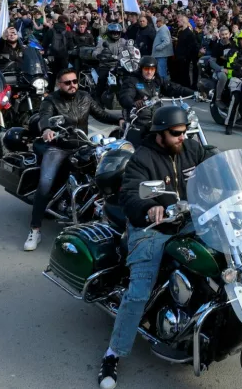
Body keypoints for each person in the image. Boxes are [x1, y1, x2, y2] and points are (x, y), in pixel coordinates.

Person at [98, 106, 213, 389]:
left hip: (190, 221)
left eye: (185, 132)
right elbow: (130, 195)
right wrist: (149, 209)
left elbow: (213, 163)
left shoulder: (191, 148)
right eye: (176, 133)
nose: (181, 138)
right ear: (160, 134)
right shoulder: (142, 159)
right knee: (138, 292)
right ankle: (113, 354)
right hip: (152, 229)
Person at [24, 68, 123, 251]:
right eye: (67, 83)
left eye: (75, 81)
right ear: (59, 84)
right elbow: (44, 117)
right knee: (45, 184)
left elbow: (101, 114)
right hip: (59, 147)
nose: (72, 85)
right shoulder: (51, 100)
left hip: (83, 145)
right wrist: (46, 129)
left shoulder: (85, 97)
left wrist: (121, 119)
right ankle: (35, 230)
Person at [117, 56, 196, 116]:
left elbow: (175, 88)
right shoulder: (132, 80)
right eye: (146, 69)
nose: (149, 72)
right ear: (141, 69)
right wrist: (133, 103)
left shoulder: (158, 80)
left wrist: (194, 93)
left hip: (157, 116)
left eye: (152, 69)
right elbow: (125, 96)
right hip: (137, 116)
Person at [94, 22, 127, 101]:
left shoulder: (123, 41)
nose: (116, 34)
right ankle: (97, 99)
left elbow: (130, 49)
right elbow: (96, 51)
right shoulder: (103, 41)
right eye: (113, 32)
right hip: (106, 65)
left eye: (117, 32)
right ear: (109, 33)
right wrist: (99, 55)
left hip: (120, 65)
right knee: (101, 80)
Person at [151, 15, 173, 81]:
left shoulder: (163, 29)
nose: (156, 23)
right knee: (161, 71)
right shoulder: (162, 29)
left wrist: (158, 47)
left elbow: (167, 41)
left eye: (157, 21)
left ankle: (163, 86)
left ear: (160, 22)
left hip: (161, 55)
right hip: (160, 54)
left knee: (162, 72)